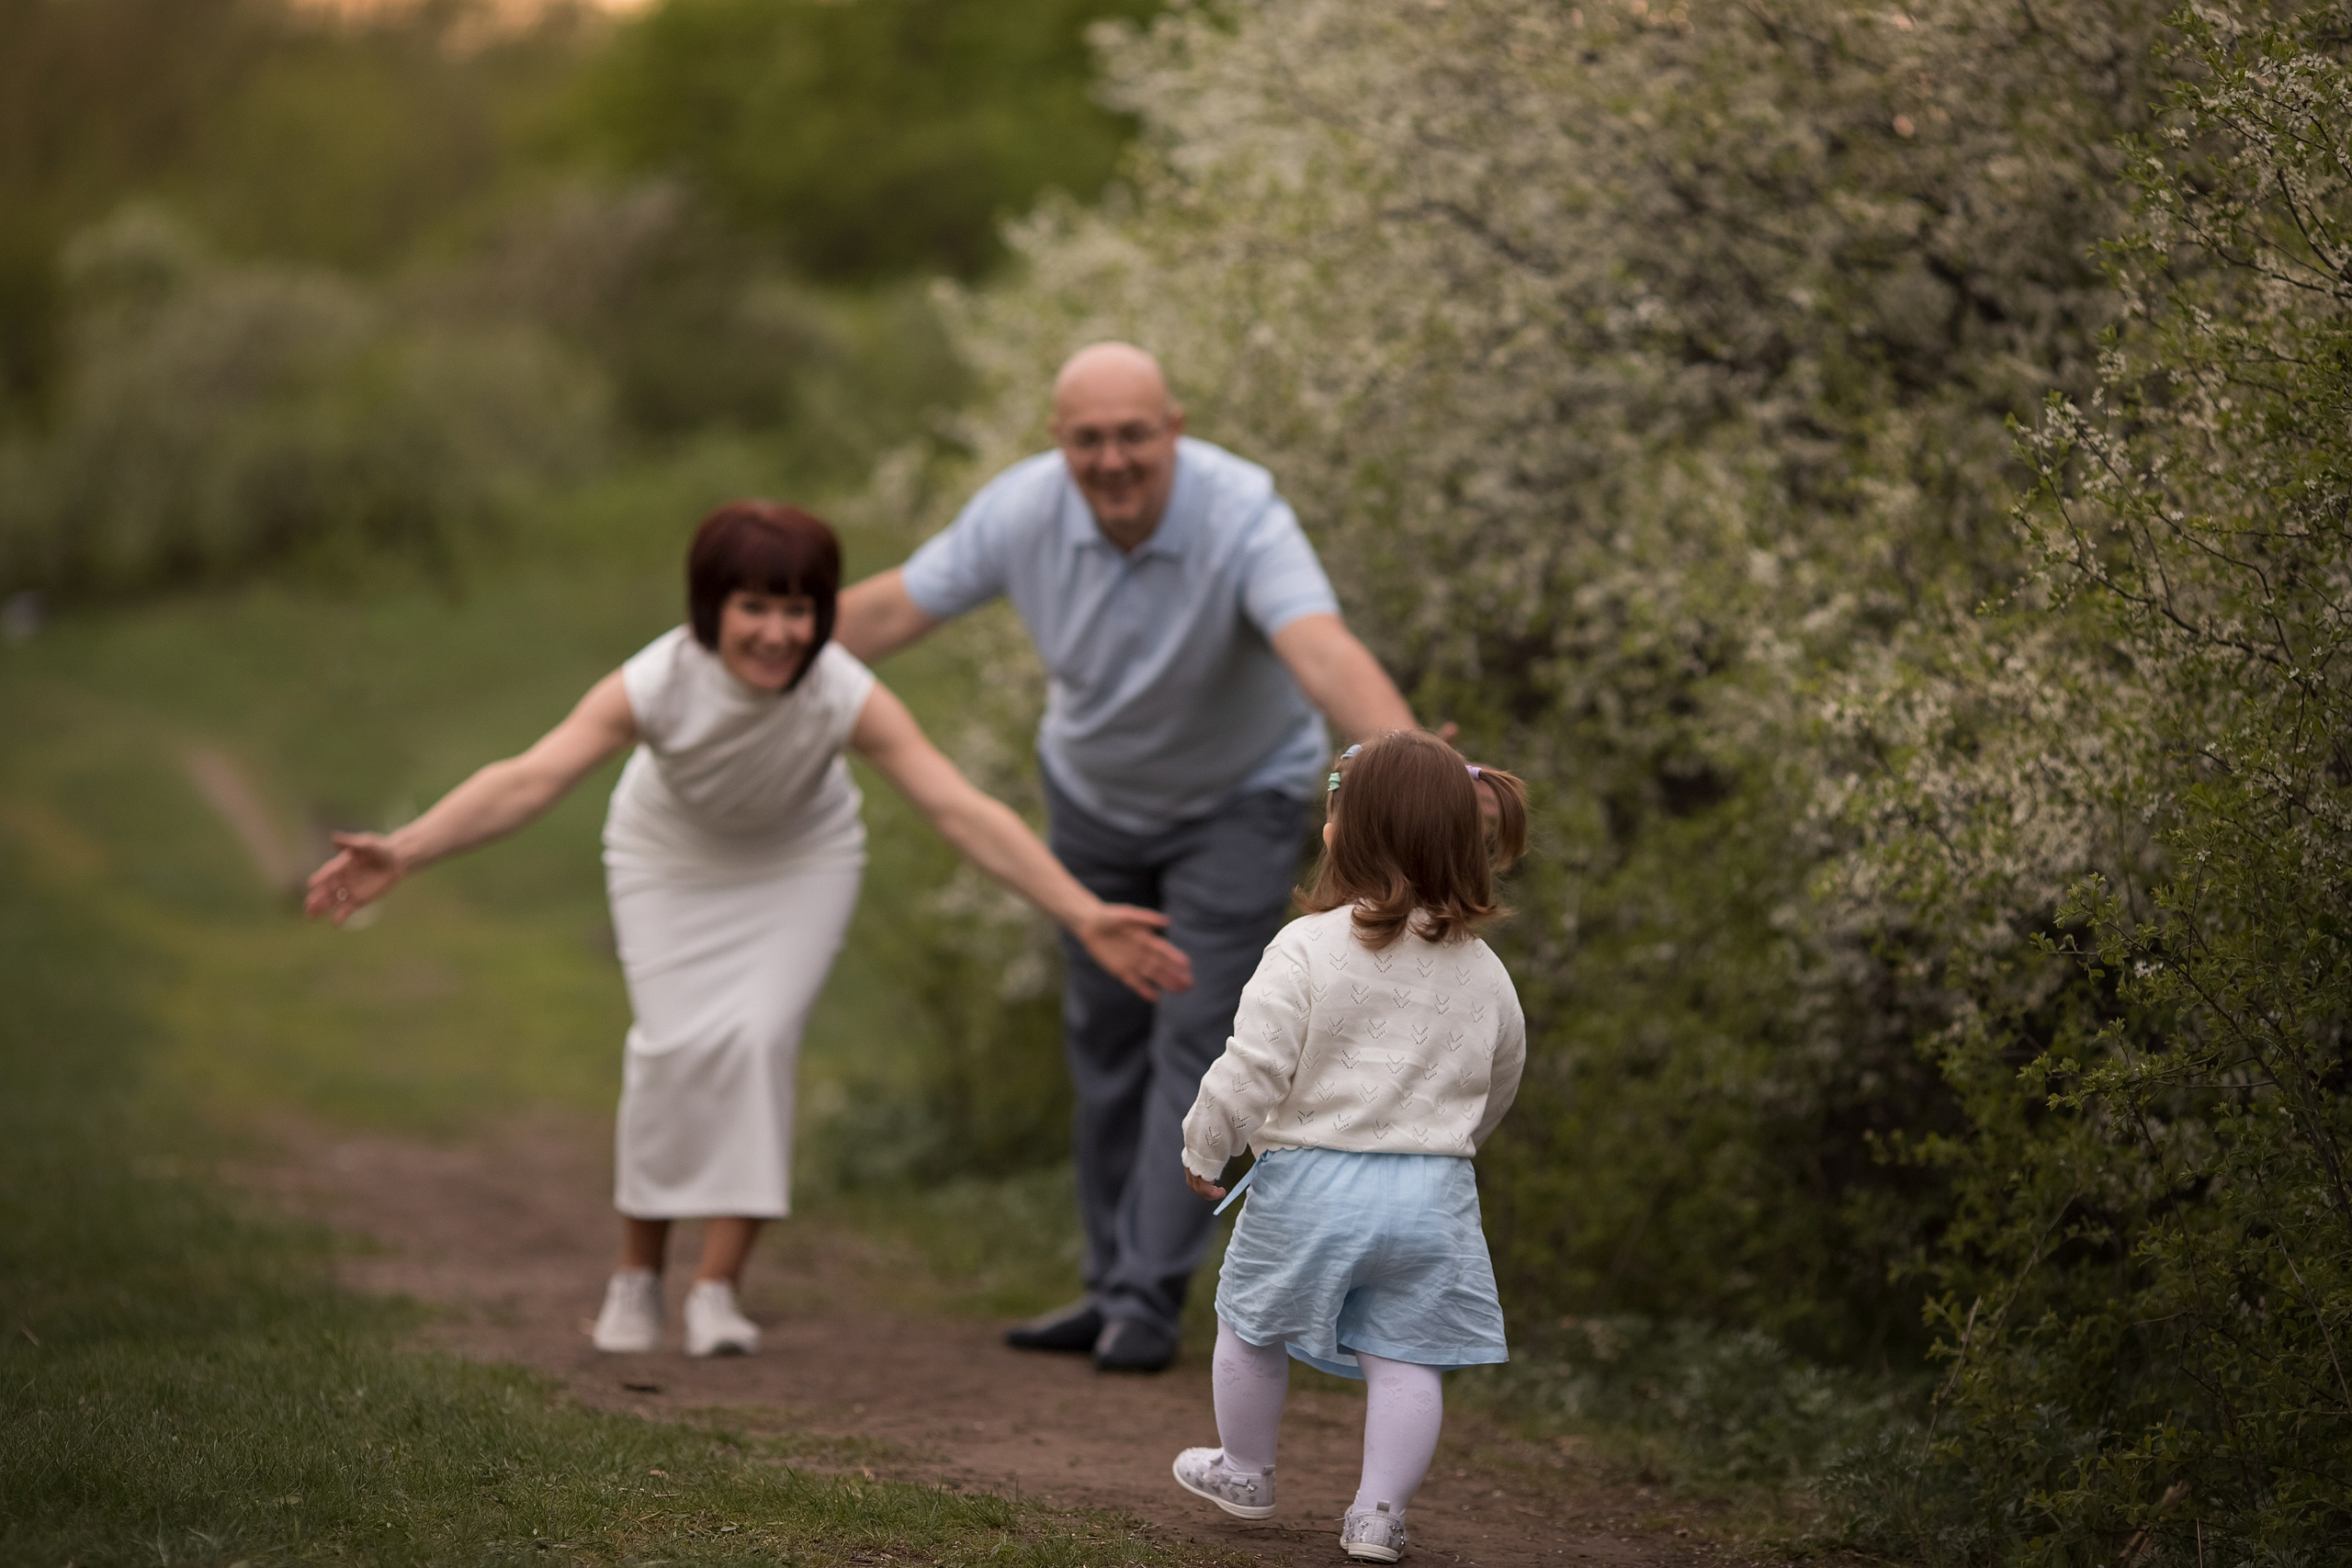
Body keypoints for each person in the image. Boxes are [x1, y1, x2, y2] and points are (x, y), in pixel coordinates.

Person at [304, 502, 1190, 1359]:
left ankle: (718, 1289)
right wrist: (406, 851)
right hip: (668, 859)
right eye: (753, 607)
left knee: (757, 1042)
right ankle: (636, 1278)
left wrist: (1081, 911)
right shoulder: (658, 680)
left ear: (822, 615)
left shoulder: (842, 690)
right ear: (710, 610)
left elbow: (957, 807)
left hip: (799, 864)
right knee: (672, 1048)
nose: (777, 632)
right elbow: (530, 778)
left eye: (798, 609)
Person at [833, 342, 1430, 1371]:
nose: (1111, 460)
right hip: (1094, 802)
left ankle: (1147, 1300)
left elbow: (1321, 648)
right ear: (1060, 444)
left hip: (1233, 803)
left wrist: (1413, 775)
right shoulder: (1021, 510)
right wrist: (722, 659)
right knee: (1102, 1035)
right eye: (1087, 440)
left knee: (1193, 1030)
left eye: (1133, 436)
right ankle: (1109, 1279)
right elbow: (891, 609)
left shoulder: (1242, 512)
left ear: (1175, 431)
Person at [1170, 731, 1529, 1564]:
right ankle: (1377, 1514)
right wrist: (1454, 1142)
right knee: (1409, 1356)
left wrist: (1206, 1146)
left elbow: (1252, 1065)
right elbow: (1501, 1074)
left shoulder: (1307, 947)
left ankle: (1246, 1470)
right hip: (1433, 1195)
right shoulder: (1484, 970)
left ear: (1343, 829)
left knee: (1251, 1324)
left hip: (1309, 1185)